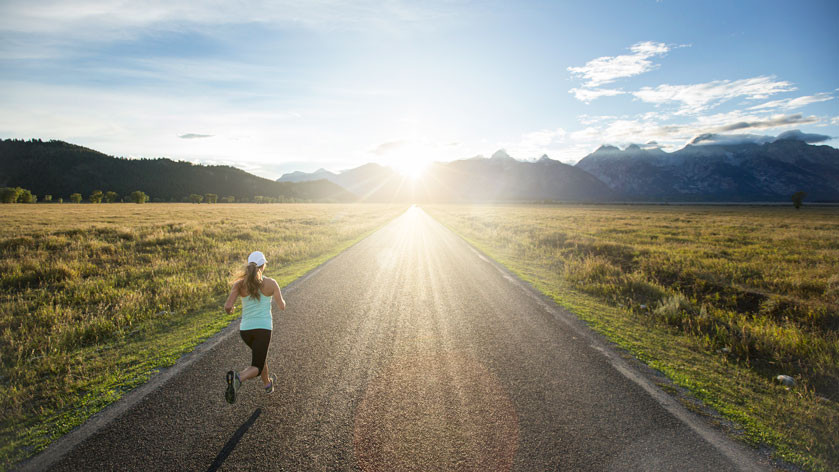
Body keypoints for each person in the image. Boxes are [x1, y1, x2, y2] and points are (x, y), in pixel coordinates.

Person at [223, 250, 286, 404]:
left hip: (245, 331)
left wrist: (231, 310)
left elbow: (228, 306)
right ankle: (238, 378)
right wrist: (281, 302)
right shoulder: (271, 283)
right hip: (263, 329)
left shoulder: (239, 284)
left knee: (260, 355)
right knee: (256, 367)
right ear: (263, 265)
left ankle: (268, 385)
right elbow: (282, 306)